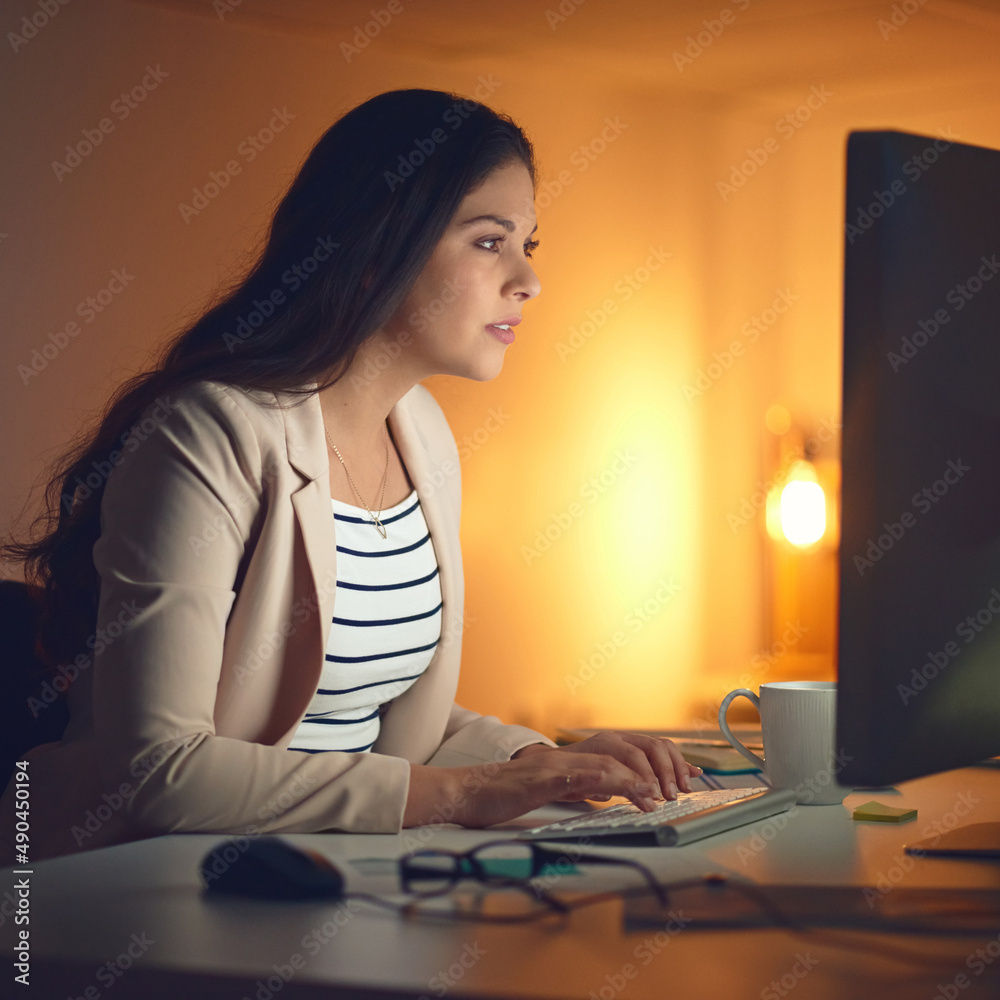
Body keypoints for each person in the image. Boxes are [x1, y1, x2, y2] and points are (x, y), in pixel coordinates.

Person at [0, 89, 700, 864]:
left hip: (324, 868)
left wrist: (542, 762)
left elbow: (388, 723)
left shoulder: (422, 431)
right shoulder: (208, 434)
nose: (528, 280)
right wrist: (465, 796)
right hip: (119, 881)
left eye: (530, 244)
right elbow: (160, 772)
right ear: (376, 249)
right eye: (489, 241)